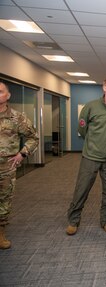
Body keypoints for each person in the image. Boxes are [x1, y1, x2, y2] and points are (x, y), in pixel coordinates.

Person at [66, 77, 106, 235]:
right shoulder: (91, 107)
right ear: (104, 88)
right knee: (82, 189)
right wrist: (94, 142)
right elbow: (82, 129)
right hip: (91, 157)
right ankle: (73, 221)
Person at [0, 82, 39, 249]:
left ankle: (0, 232)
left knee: (4, 200)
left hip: (5, 166)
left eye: (0, 91)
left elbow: (33, 137)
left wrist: (22, 154)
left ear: (8, 96)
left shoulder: (17, 117)